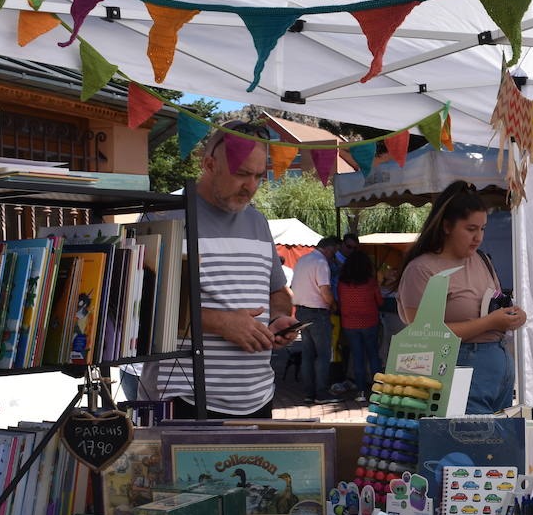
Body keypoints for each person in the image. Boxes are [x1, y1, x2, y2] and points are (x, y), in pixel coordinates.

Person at [138, 120, 300, 418]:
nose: (250, 186)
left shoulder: (258, 222)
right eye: (241, 174)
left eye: (258, 176)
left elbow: (278, 291)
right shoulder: (163, 216)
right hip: (182, 397)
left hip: (257, 396)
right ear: (210, 164)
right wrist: (222, 323)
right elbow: (141, 305)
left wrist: (277, 318)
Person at [397, 181, 525, 414]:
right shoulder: (423, 269)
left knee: (495, 447)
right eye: (470, 229)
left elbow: (494, 302)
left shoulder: (482, 260)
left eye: (483, 229)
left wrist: (513, 315)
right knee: (470, 444)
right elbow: (422, 335)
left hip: (498, 372)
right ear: (447, 226)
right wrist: (490, 322)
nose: (478, 237)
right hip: (458, 371)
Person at [289, 236, 341, 405]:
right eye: (335, 251)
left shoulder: (303, 260)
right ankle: (321, 393)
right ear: (330, 248)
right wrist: (333, 304)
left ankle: (309, 393)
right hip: (317, 313)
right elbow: (325, 291)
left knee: (308, 354)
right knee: (323, 355)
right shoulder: (321, 263)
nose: (335, 256)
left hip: (301, 311)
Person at [336, 251, 383, 403]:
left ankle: (361, 392)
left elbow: (340, 301)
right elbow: (380, 301)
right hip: (370, 322)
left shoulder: (342, 283)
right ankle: (378, 392)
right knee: (373, 355)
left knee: (357, 357)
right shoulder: (370, 282)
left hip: (350, 323)